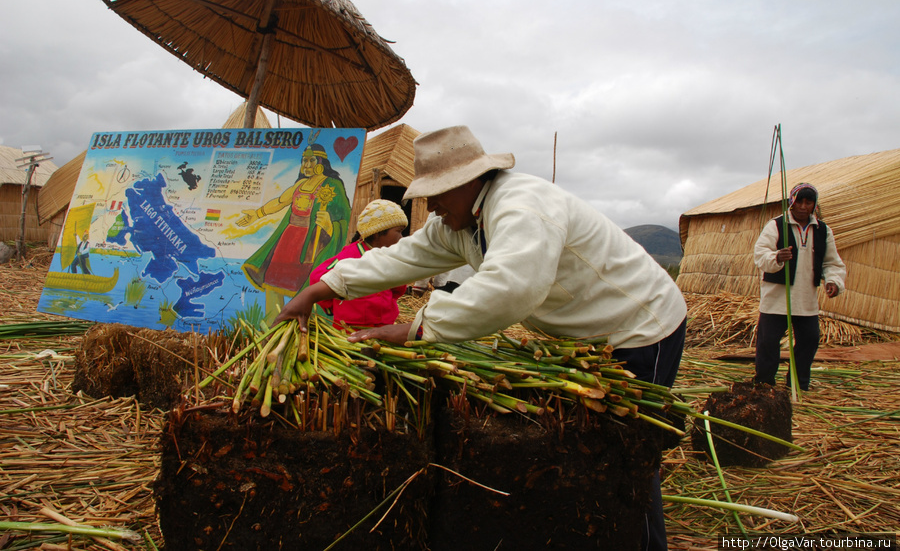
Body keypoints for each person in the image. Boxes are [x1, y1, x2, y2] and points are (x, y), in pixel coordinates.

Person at [276, 125, 687, 550]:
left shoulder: (522, 205)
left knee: (630, 454)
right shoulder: (459, 220)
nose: (431, 205)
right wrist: (317, 289)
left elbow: (511, 287)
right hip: (583, 337)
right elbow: (402, 257)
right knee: (599, 447)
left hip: (637, 329)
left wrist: (413, 330)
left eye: (436, 192)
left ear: (469, 181)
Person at [238, 134, 351, 320]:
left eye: (310, 161)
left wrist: (330, 226)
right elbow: (280, 202)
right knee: (274, 282)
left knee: (303, 285)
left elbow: (343, 216)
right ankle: (273, 325)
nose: (305, 165)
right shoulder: (300, 184)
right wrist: (256, 214)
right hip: (287, 240)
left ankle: (299, 326)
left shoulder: (333, 185)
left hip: (309, 245)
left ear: (321, 161)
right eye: (303, 161)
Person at [753, 182, 845, 391]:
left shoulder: (822, 231)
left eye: (808, 202)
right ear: (791, 203)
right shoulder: (776, 225)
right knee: (768, 343)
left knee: (810, 339)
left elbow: (832, 262)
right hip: (777, 298)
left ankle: (798, 383)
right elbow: (760, 255)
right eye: (799, 201)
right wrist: (777, 256)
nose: (804, 206)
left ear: (814, 205)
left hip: (805, 298)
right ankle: (764, 385)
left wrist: (833, 281)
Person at [309, 199, 408, 329]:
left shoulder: (391, 257)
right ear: (378, 233)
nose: (401, 237)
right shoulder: (350, 256)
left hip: (384, 328)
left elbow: (399, 286)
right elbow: (317, 277)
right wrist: (334, 305)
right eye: (399, 231)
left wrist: (387, 302)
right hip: (350, 330)